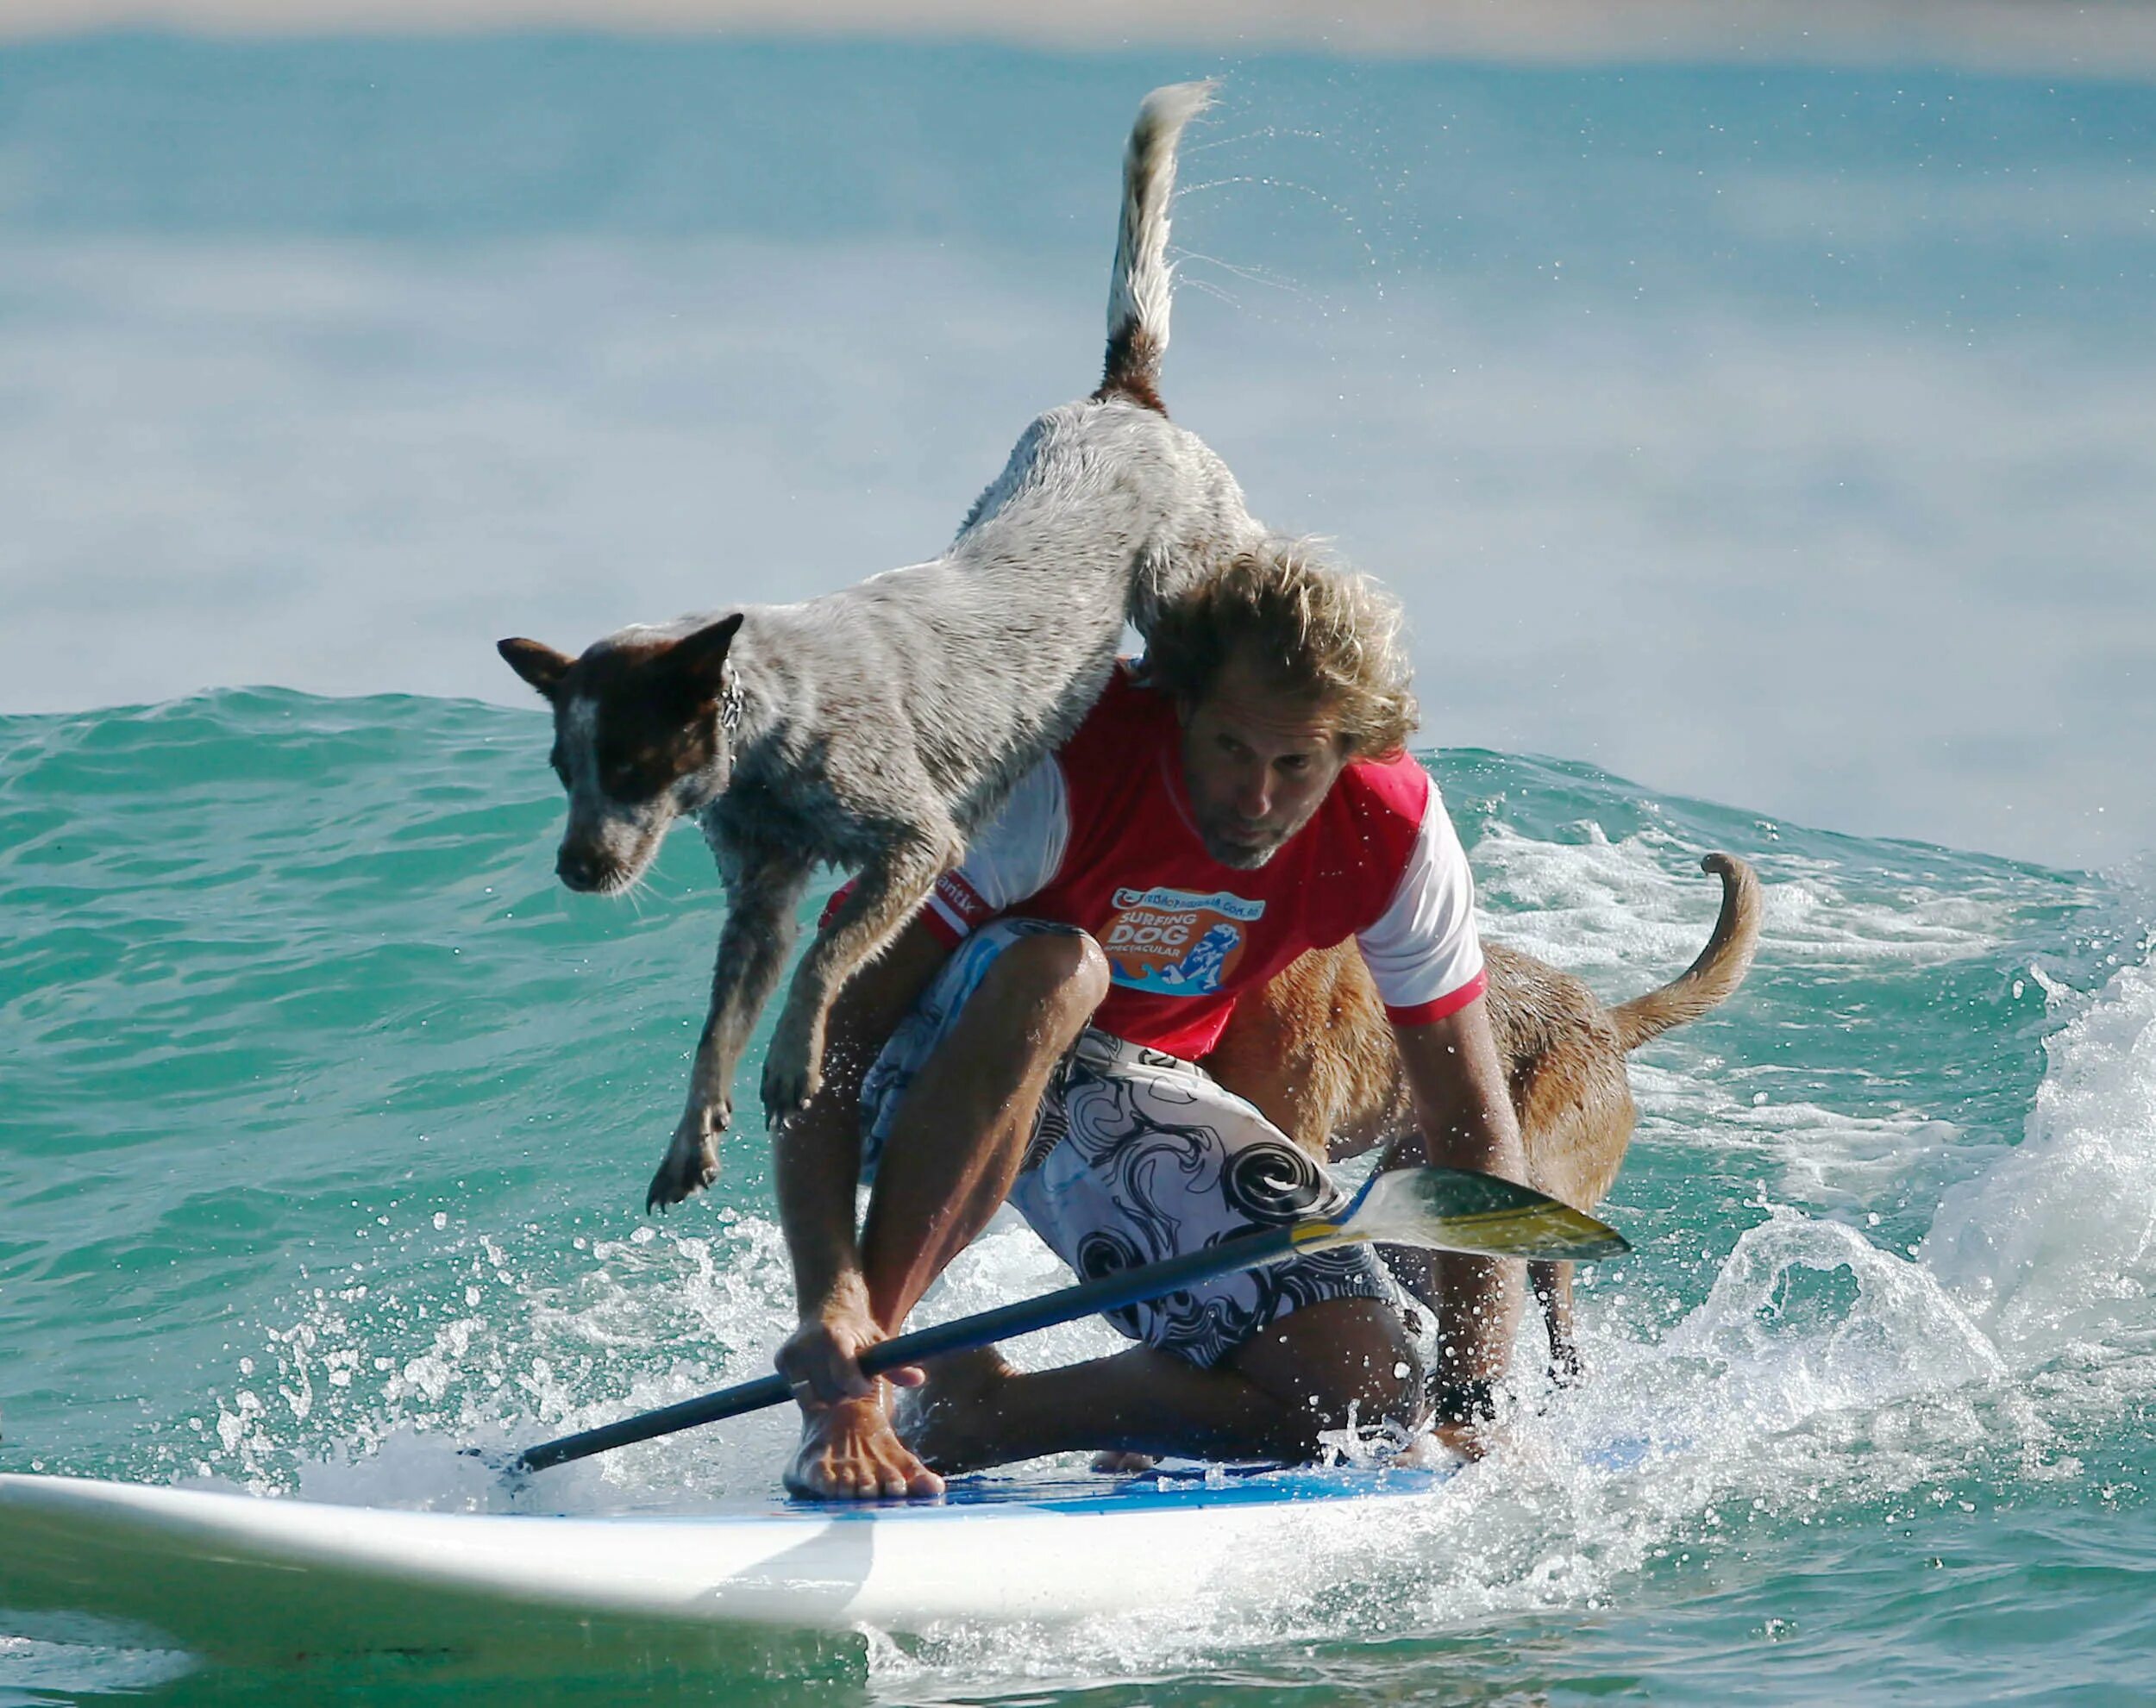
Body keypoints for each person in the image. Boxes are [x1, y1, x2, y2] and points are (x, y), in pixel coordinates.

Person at [769, 539, 1529, 1499]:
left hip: (1110, 1079)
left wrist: (1475, 1398)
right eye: (1228, 749)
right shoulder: (1057, 768)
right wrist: (830, 1298)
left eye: (1295, 763)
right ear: (1176, 705)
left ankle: (984, 1416)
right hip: (923, 1048)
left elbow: (1467, 1121)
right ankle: (851, 1395)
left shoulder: (1396, 830)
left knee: (1366, 1402)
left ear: (1350, 748)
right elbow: (831, 1028)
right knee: (1056, 969)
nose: (1257, 799)